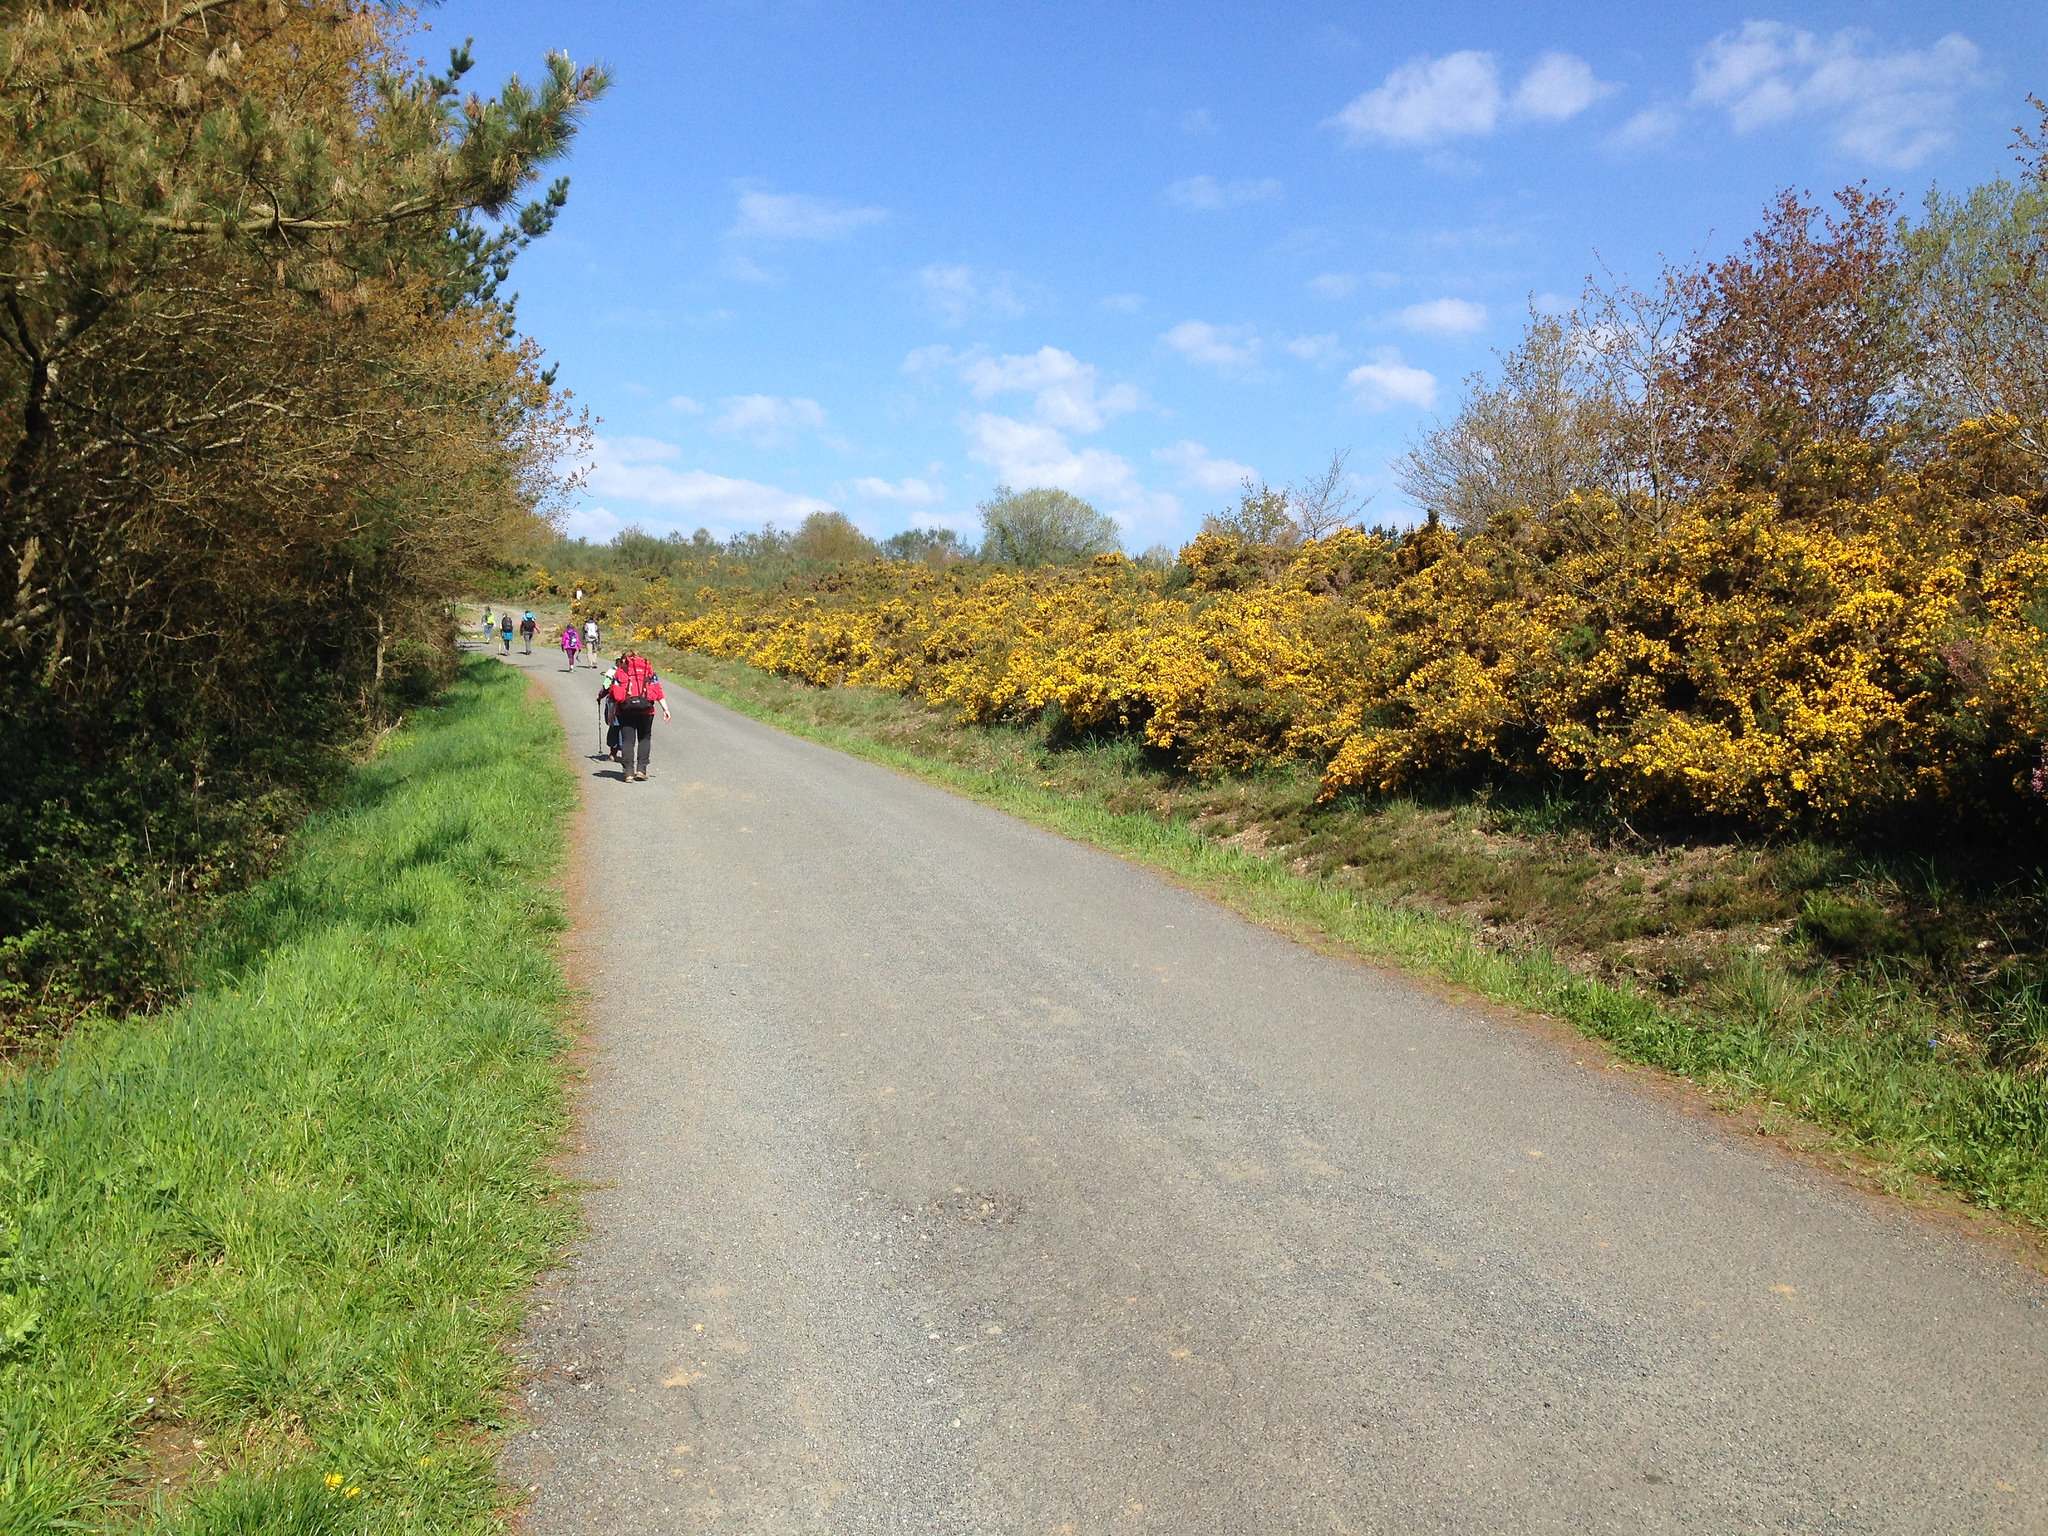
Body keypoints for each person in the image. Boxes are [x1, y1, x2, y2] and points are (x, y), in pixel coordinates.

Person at [604, 650, 669, 781]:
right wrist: (665, 708)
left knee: (628, 741)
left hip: (625, 710)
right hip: (646, 710)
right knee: (644, 739)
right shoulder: (647, 669)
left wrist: (611, 713)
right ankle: (641, 770)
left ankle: (628, 772)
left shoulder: (621, 671)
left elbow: (613, 694)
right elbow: (657, 689)